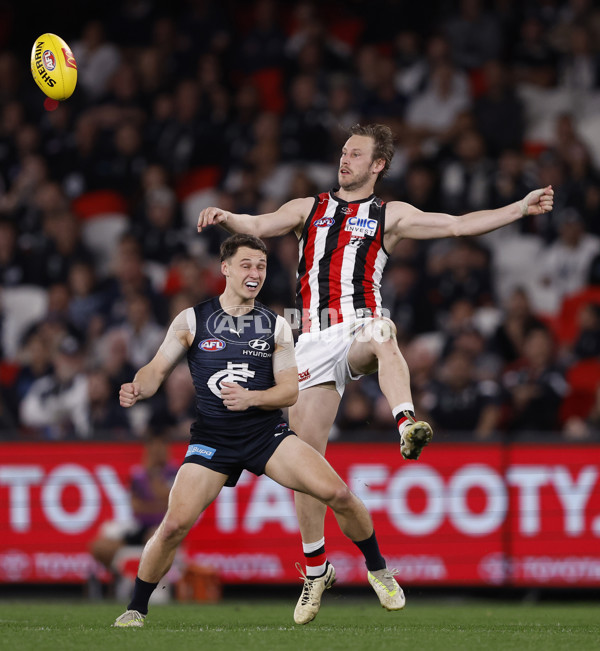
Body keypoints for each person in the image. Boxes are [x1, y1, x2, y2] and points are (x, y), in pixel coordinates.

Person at [197, 123, 554, 622]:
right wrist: (227, 215)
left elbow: (455, 225)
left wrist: (519, 207)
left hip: (356, 327)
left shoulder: (390, 215)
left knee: (383, 332)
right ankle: (319, 567)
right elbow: (261, 222)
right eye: (344, 152)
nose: (345, 160)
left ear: (377, 165)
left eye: (356, 154)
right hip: (309, 342)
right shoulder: (310, 207)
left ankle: (406, 422)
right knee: (308, 468)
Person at [113, 233, 405, 627]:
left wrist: (251, 398)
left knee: (338, 493)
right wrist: (138, 387)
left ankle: (379, 571)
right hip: (213, 442)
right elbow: (155, 369)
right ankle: (136, 608)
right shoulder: (192, 319)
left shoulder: (276, 326)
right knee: (173, 526)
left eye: (261, 267)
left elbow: (288, 391)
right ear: (226, 268)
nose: (255, 273)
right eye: (247, 265)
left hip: (265, 436)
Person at [90, 427, 177, 571]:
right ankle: (120, 579)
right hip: (139, 527)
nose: (157, 450)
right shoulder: (139, 475)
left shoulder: (175, 472)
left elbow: (170, 503)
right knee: (100, 547)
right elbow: (135, 507)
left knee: (154, 538)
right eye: (153, 446)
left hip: (162, 528)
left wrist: (153, 476)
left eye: (160, 445)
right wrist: (156, 503)